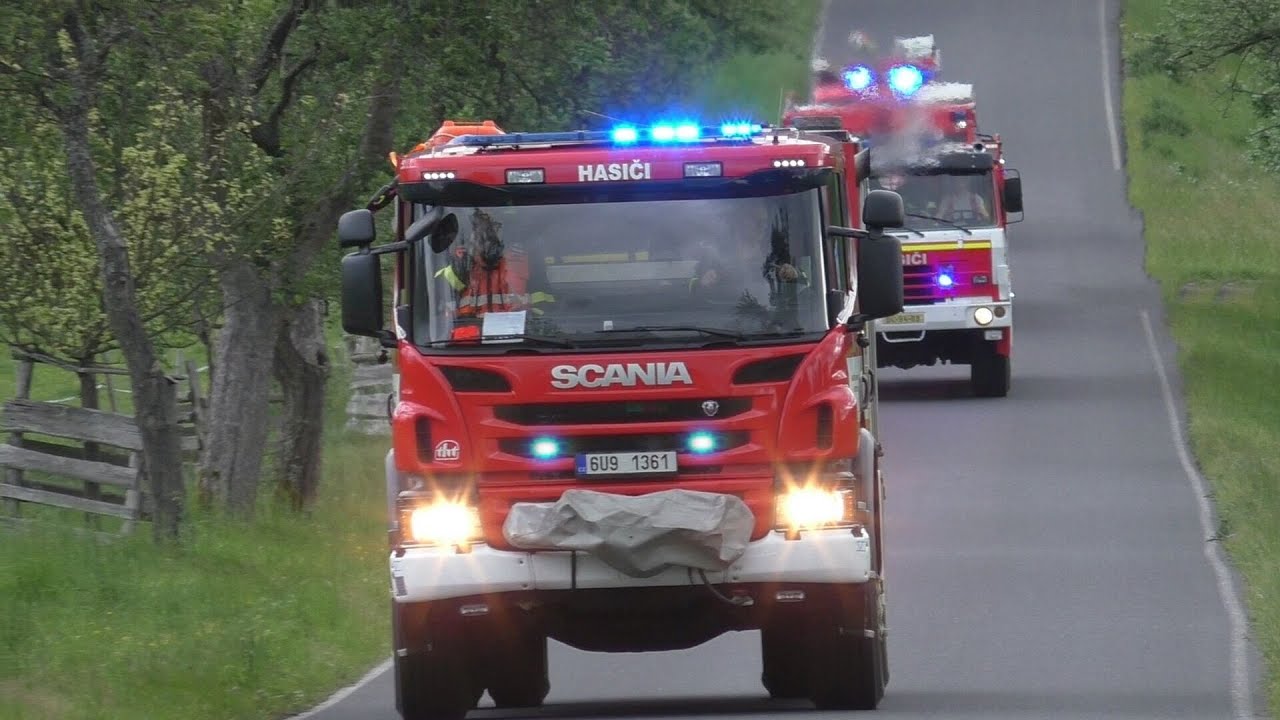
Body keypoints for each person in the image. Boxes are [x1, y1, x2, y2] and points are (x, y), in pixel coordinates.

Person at [434, 209, 554, 334]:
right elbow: (435, 318)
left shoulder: (524, 263)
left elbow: (546, 307)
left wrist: (529, 321)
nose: (487, 234)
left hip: (522, 340)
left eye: (494, 227)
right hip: (467, 347)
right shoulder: (458, 268)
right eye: (481, 228)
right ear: (470, 234)